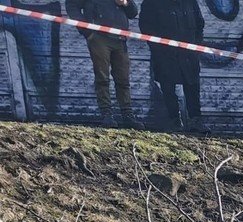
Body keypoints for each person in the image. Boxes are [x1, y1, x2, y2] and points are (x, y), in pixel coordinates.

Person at [66, 0, 140, 128]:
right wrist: (87, 31)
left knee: (123, 78)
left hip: (120, 39)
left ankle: (127, 115)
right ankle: (107, 114)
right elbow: (72, 5)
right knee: (102, 77)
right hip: (99, 37)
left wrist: (126, 3)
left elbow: (133, 13)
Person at [139, 0, 206, 132]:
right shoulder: (152, 3)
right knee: (167, 86)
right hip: (165, 54)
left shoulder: (190, 3)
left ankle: (196, 120)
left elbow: (199, 24)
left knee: (192, 85)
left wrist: (195, 45)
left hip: (188, 53)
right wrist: (157, 49)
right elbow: (145, 26)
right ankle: (174, 120)